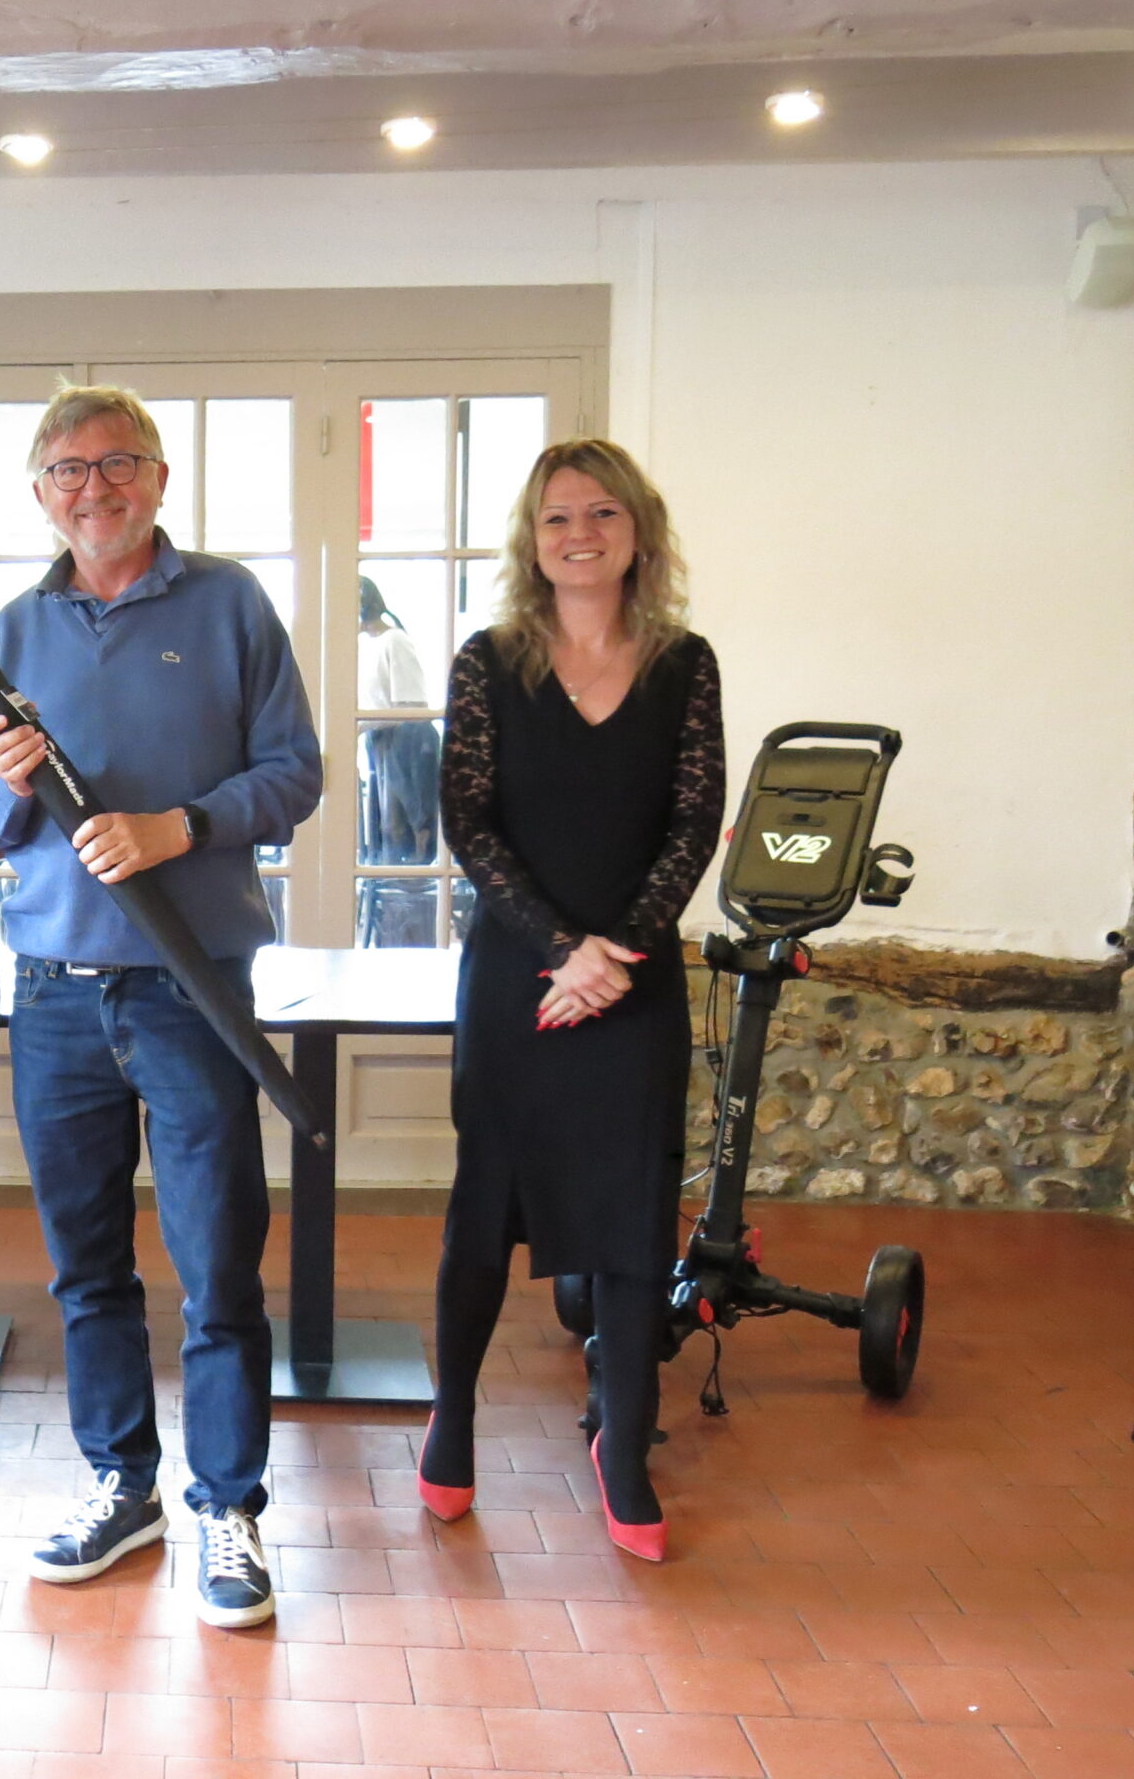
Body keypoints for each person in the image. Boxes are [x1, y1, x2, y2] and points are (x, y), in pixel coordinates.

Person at [0, 383, 321, 1629]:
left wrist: (181, 826)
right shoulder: (12, 628)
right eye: (67, 470)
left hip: (192, 986)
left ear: (158, 478)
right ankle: (122, 1484)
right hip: (54, 994)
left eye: (116, 465)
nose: (92, 488)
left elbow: (295, 774)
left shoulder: (228, 604)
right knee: (86, 1267)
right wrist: (7, 785)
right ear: (39, 492)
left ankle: (228, 1505)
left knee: (216, 1263)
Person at [422, 437, 724, 1564]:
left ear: (637, 532)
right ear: (531, 540)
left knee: (635, 1218)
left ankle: (625, 1446)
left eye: (601, 514)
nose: (579, 534)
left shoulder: (685, 664)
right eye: (557, 517)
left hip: (634, 987)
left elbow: (694, 822)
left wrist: (617, 955)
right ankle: (451, 1422)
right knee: (481, 1213)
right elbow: (468, 821)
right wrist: (562, 949)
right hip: (518, 978)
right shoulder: (487, 662)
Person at [358, 575, 438, 869]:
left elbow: (413, 707)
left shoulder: (395, 640)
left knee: (401, 835)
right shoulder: (366, 646)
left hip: (406, 744)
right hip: (380, 740)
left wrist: (361, 725)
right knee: (384, 837)